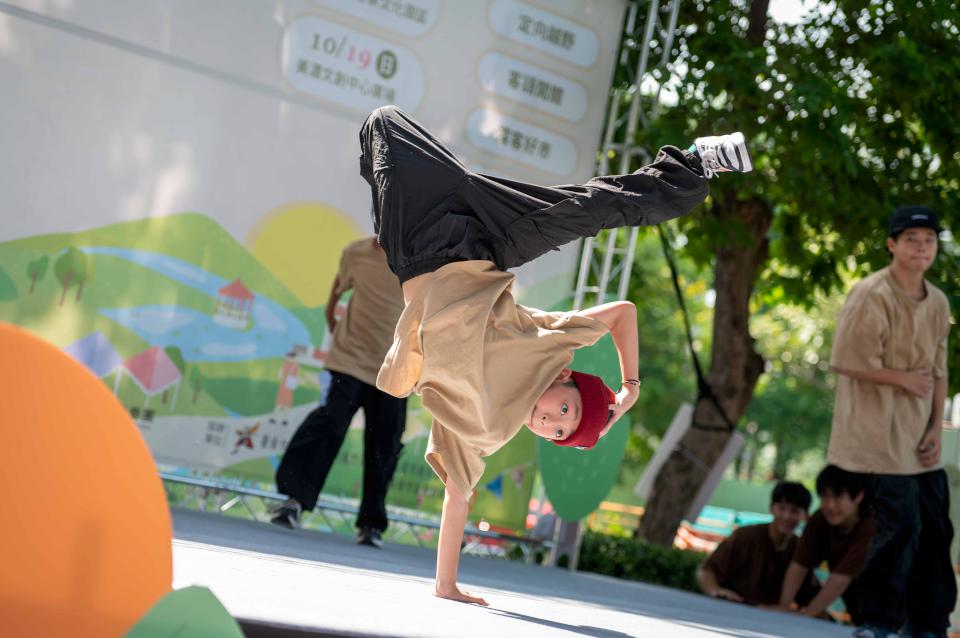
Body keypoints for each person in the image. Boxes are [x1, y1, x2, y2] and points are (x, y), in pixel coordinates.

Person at [361, 105, 753, 604]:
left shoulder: (484, 427)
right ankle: (695, 163)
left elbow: (458, 497)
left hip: (418, 247)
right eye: (565, 410)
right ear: (566, 377)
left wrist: (447, 586)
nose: (551, 422)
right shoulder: (549, 345)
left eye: (559, 432)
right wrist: (628, 390)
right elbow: (623, 313)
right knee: (587, 209)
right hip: (487, 240)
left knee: (380, 128)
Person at [826, 205, 955, 638]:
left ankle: (929, 625)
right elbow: (844, 360)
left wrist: (935, 428)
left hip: (918, 436)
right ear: (892, 245)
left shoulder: (938, 301)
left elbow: (939, 372)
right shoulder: (871, 293)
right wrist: (902, 379)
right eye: (912, 240)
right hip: (876, 436)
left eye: (929, 240)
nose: (922, 248)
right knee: (899, 526)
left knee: (936, 528)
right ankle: (876, 622)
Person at [271, 236, 407, 549]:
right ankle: (293, 502)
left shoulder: (418, 260)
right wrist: (332, 321)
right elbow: (336, 290)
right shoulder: (356, 253)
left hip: (395, 371)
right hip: (350, 361)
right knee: (329, 424)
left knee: (385, 445)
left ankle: (371, 525)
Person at [777, 465, 875, 623]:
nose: (830, 505)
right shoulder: (819, 519)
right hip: (856, 606)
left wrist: (806, 616)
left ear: (858, 496)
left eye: (838, 496)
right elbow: (799, 565)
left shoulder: (871, 525)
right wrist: (783, 606)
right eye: (825, 496)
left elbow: (840, 579)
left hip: (890, 606)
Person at [698, 481, 817, 606]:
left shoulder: (801, 549)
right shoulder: (745, 536)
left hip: (770, 614)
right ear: (771, 508)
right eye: (782, 508)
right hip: (731, 606)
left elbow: (809, 594)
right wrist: (715, 591)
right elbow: (707, 570)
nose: (787, 516)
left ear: (805, 515)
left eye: (794, 511)